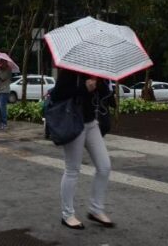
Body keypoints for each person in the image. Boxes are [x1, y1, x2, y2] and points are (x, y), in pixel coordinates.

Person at [51, 69, 114, 230]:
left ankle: (96, 209)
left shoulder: (96, 70)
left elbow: (104, 95)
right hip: (74, 121)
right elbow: (57, 95)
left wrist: (100, 83)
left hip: (91, 122)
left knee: (104, 166)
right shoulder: (70, 70)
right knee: (72, 169)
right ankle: (67, 215)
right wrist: (83, 88)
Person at [0, 59, 12, 130]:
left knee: (2, 107)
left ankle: (4, 123)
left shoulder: (8, 69)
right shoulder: (0, 70)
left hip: (4, 90)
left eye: (2, 62)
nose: (1, 64)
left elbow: (3, 77)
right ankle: (0, 122)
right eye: (0, 62)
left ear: (6, 62)